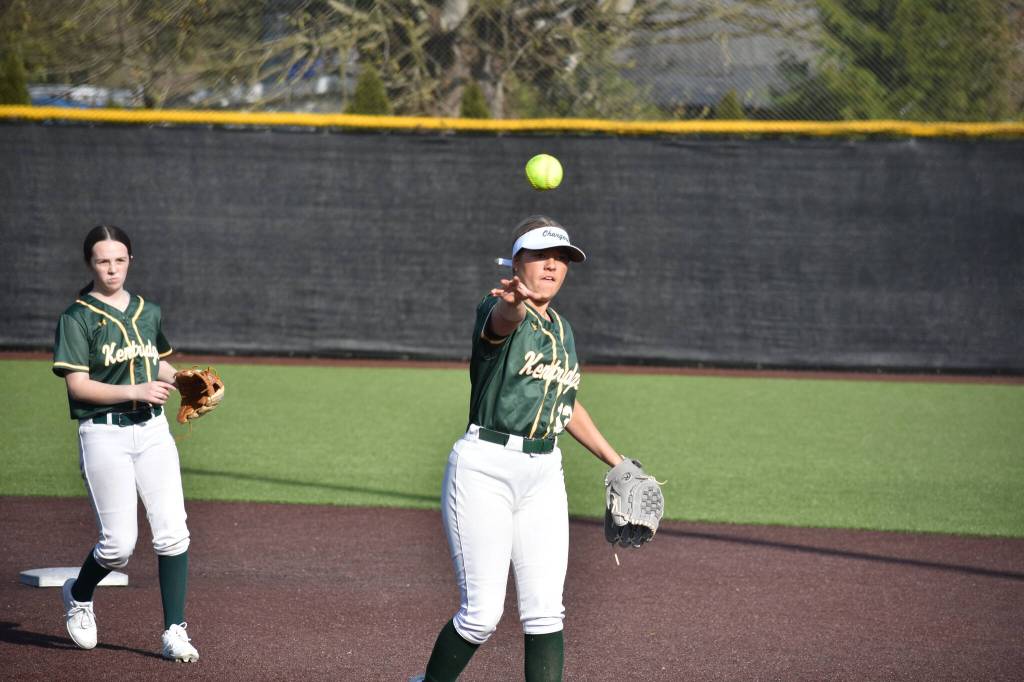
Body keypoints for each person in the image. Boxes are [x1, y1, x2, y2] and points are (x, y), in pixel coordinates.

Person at [416, 215, 627, 682]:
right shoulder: (499, 310)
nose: (553, 266)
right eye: (541, 256)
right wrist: (511, 305)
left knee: (546, 612)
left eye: (562, 258)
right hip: (485, 469)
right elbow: (500, 323)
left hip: (544, 475)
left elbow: (564, 404)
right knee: (480, 617)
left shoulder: (563, 330)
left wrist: (618, 462)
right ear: (517, 263)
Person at [52, 224, 199, 662]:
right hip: (103, 433)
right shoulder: (76, 317)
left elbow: (156, 365)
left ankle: (174, 629)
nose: (111, 268)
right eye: (102, 260)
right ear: (90, 264)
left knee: (173, 532)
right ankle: (78, 595)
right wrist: (136, 391)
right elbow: (79, 387)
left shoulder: (148, 311)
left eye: (119, 259)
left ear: (130, 260)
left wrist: (187, 379)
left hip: (153, 431)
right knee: (118, 545)